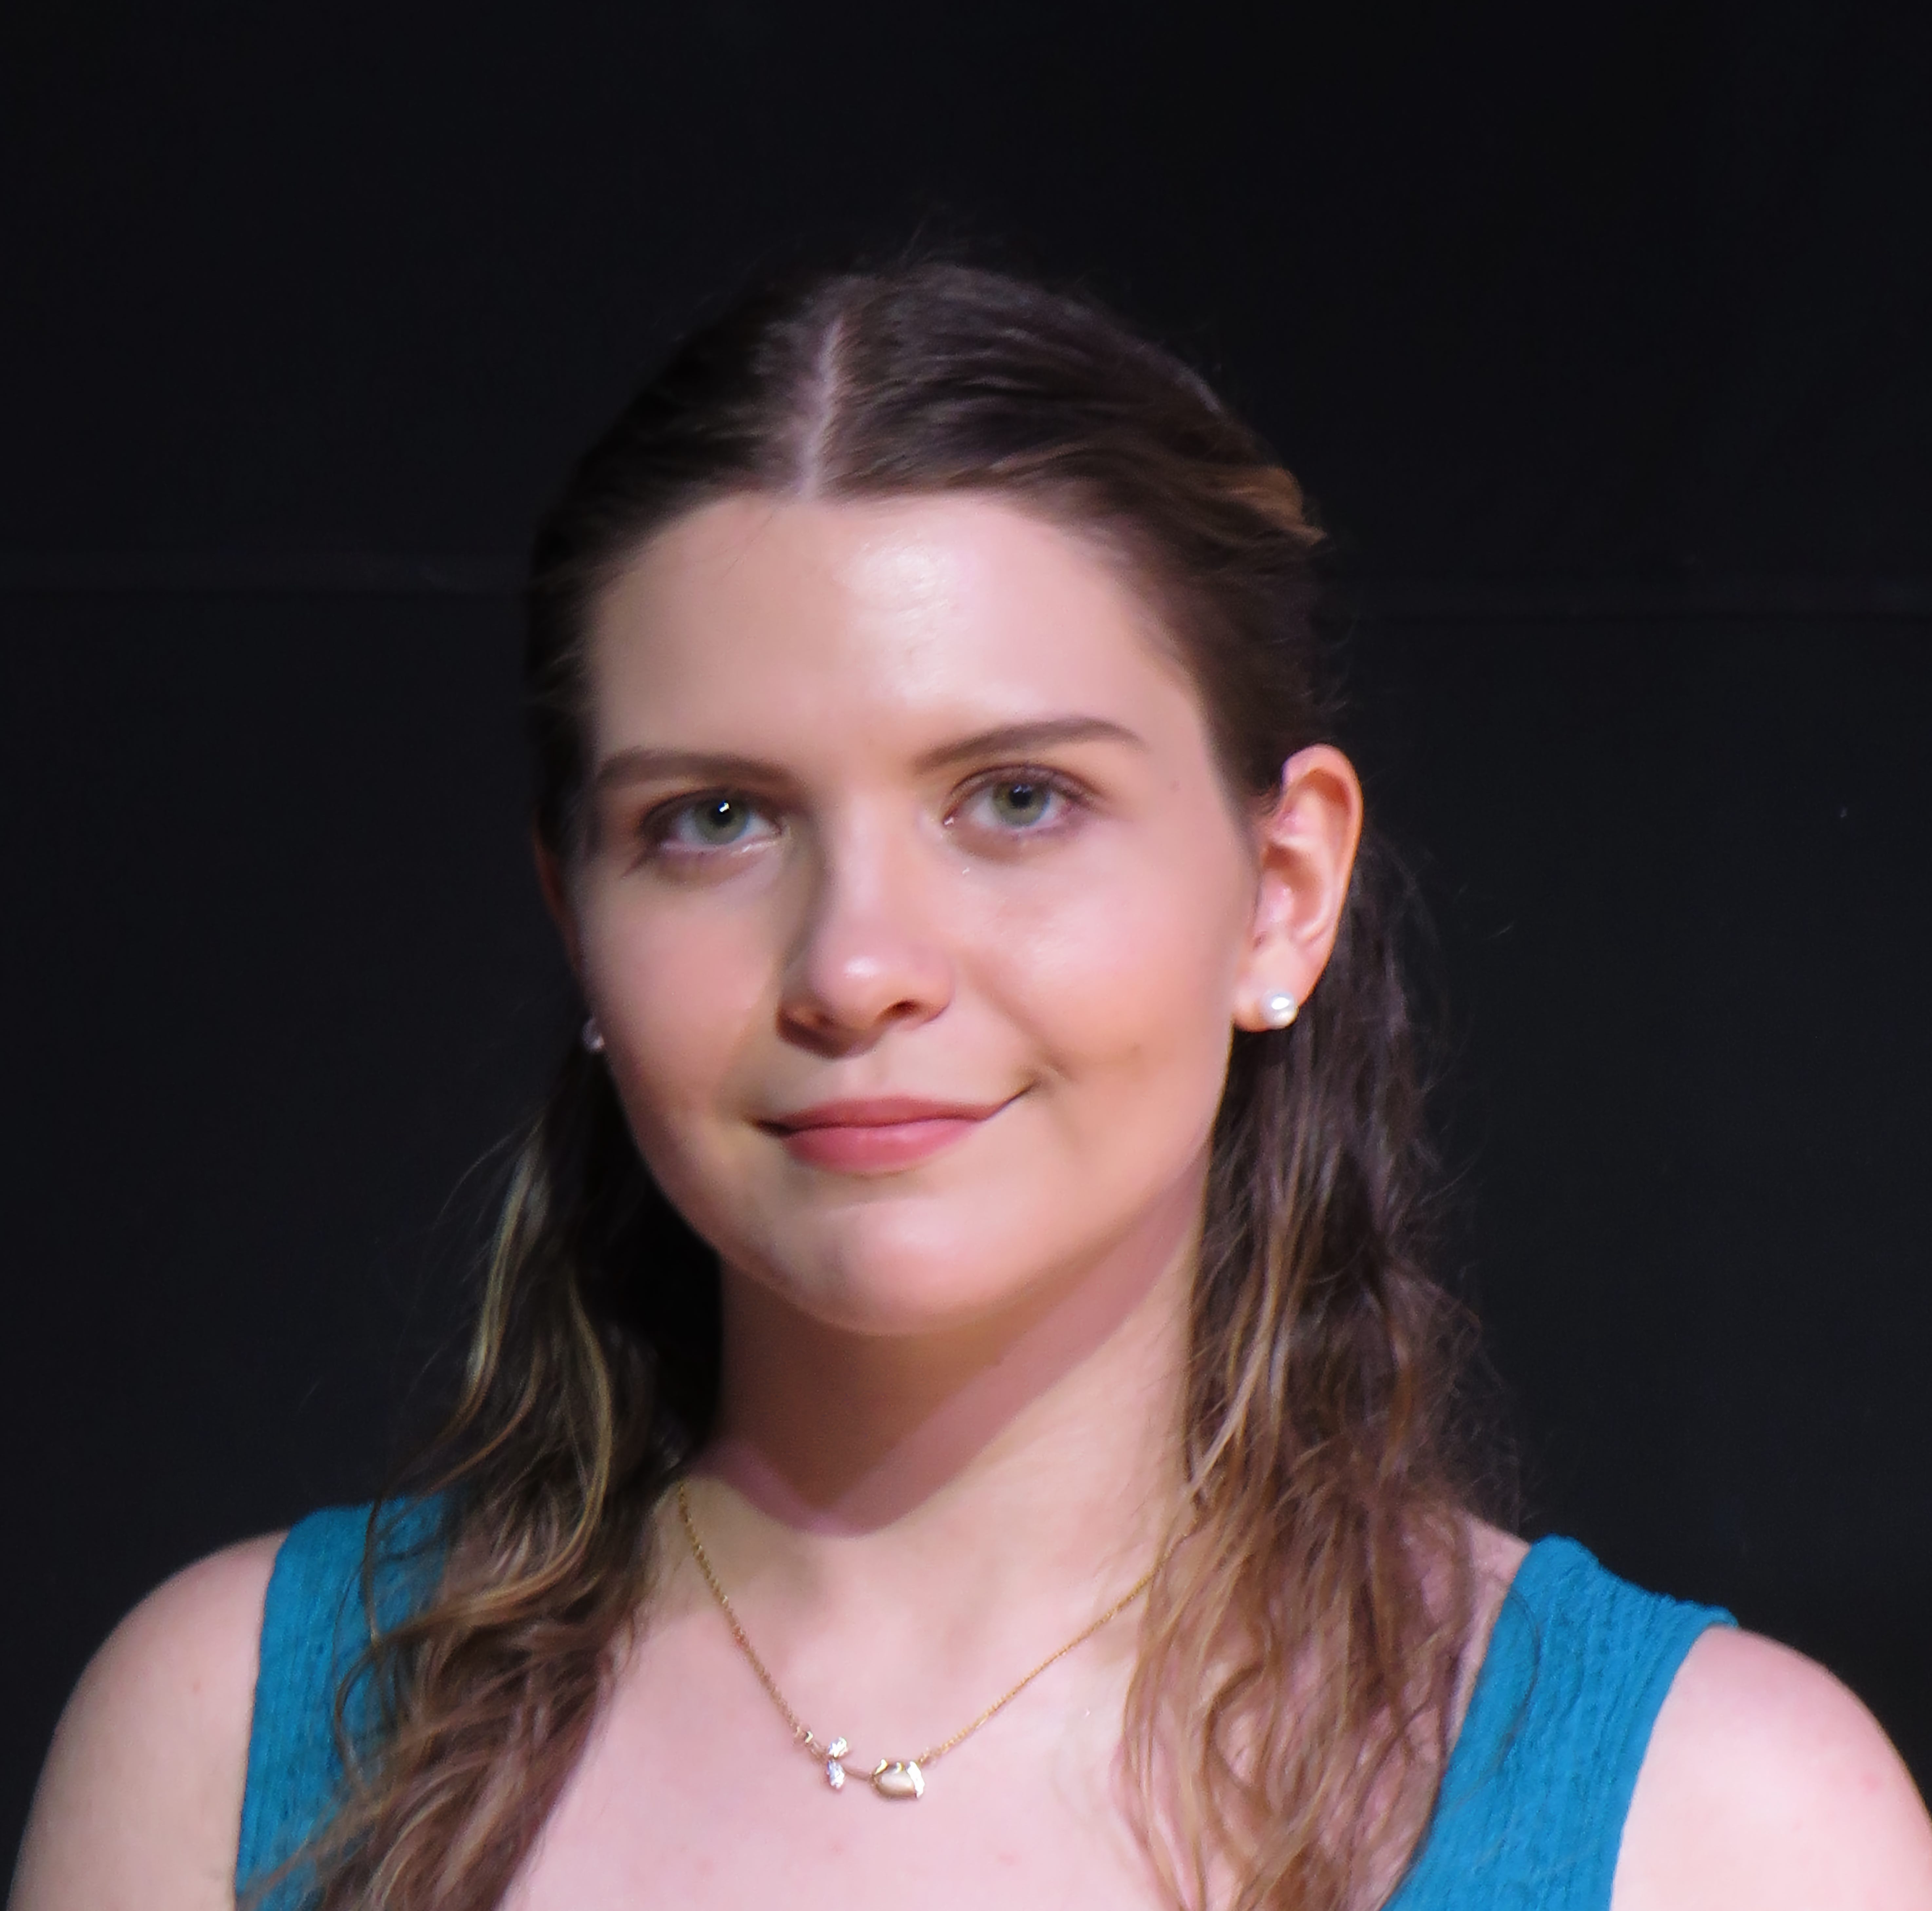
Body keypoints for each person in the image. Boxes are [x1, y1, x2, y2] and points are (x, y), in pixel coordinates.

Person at [11, 262, 1931, 1911]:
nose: (856, 967)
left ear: (1281, 891)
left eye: (1017, 799)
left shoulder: (1723, 1826)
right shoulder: (239, 1739)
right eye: (715, 820)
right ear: (575, 916)